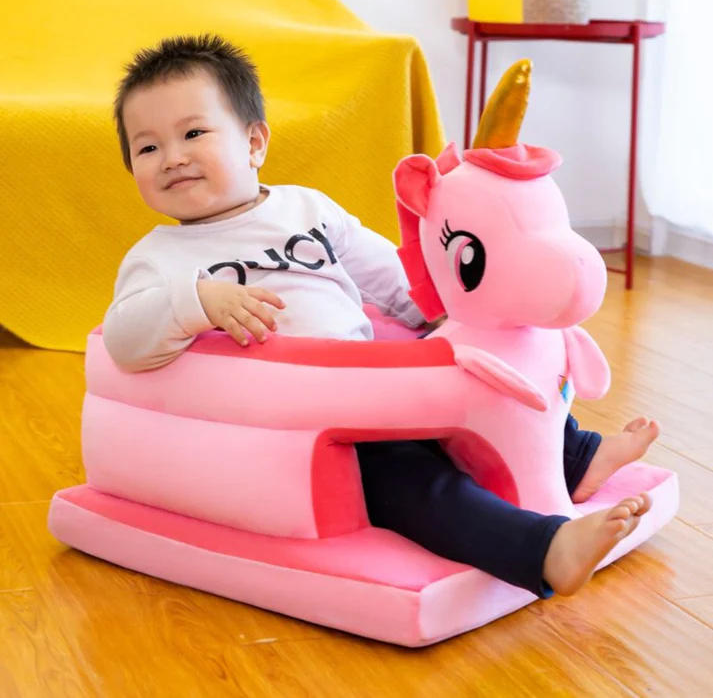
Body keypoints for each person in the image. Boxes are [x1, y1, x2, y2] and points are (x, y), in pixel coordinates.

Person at [103, 34, 658, 598]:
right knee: (410, 477)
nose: (172, 157)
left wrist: (443, 319)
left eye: (193, 134)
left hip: (371, 381)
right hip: (304, 422)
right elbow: (122, 339)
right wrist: (198, 301)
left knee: (477, 386)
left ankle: (577, 458)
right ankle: (541, 548)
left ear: (254, 143)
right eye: (147, 148)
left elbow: (385, 274)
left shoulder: (306, 208)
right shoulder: (159, 257)